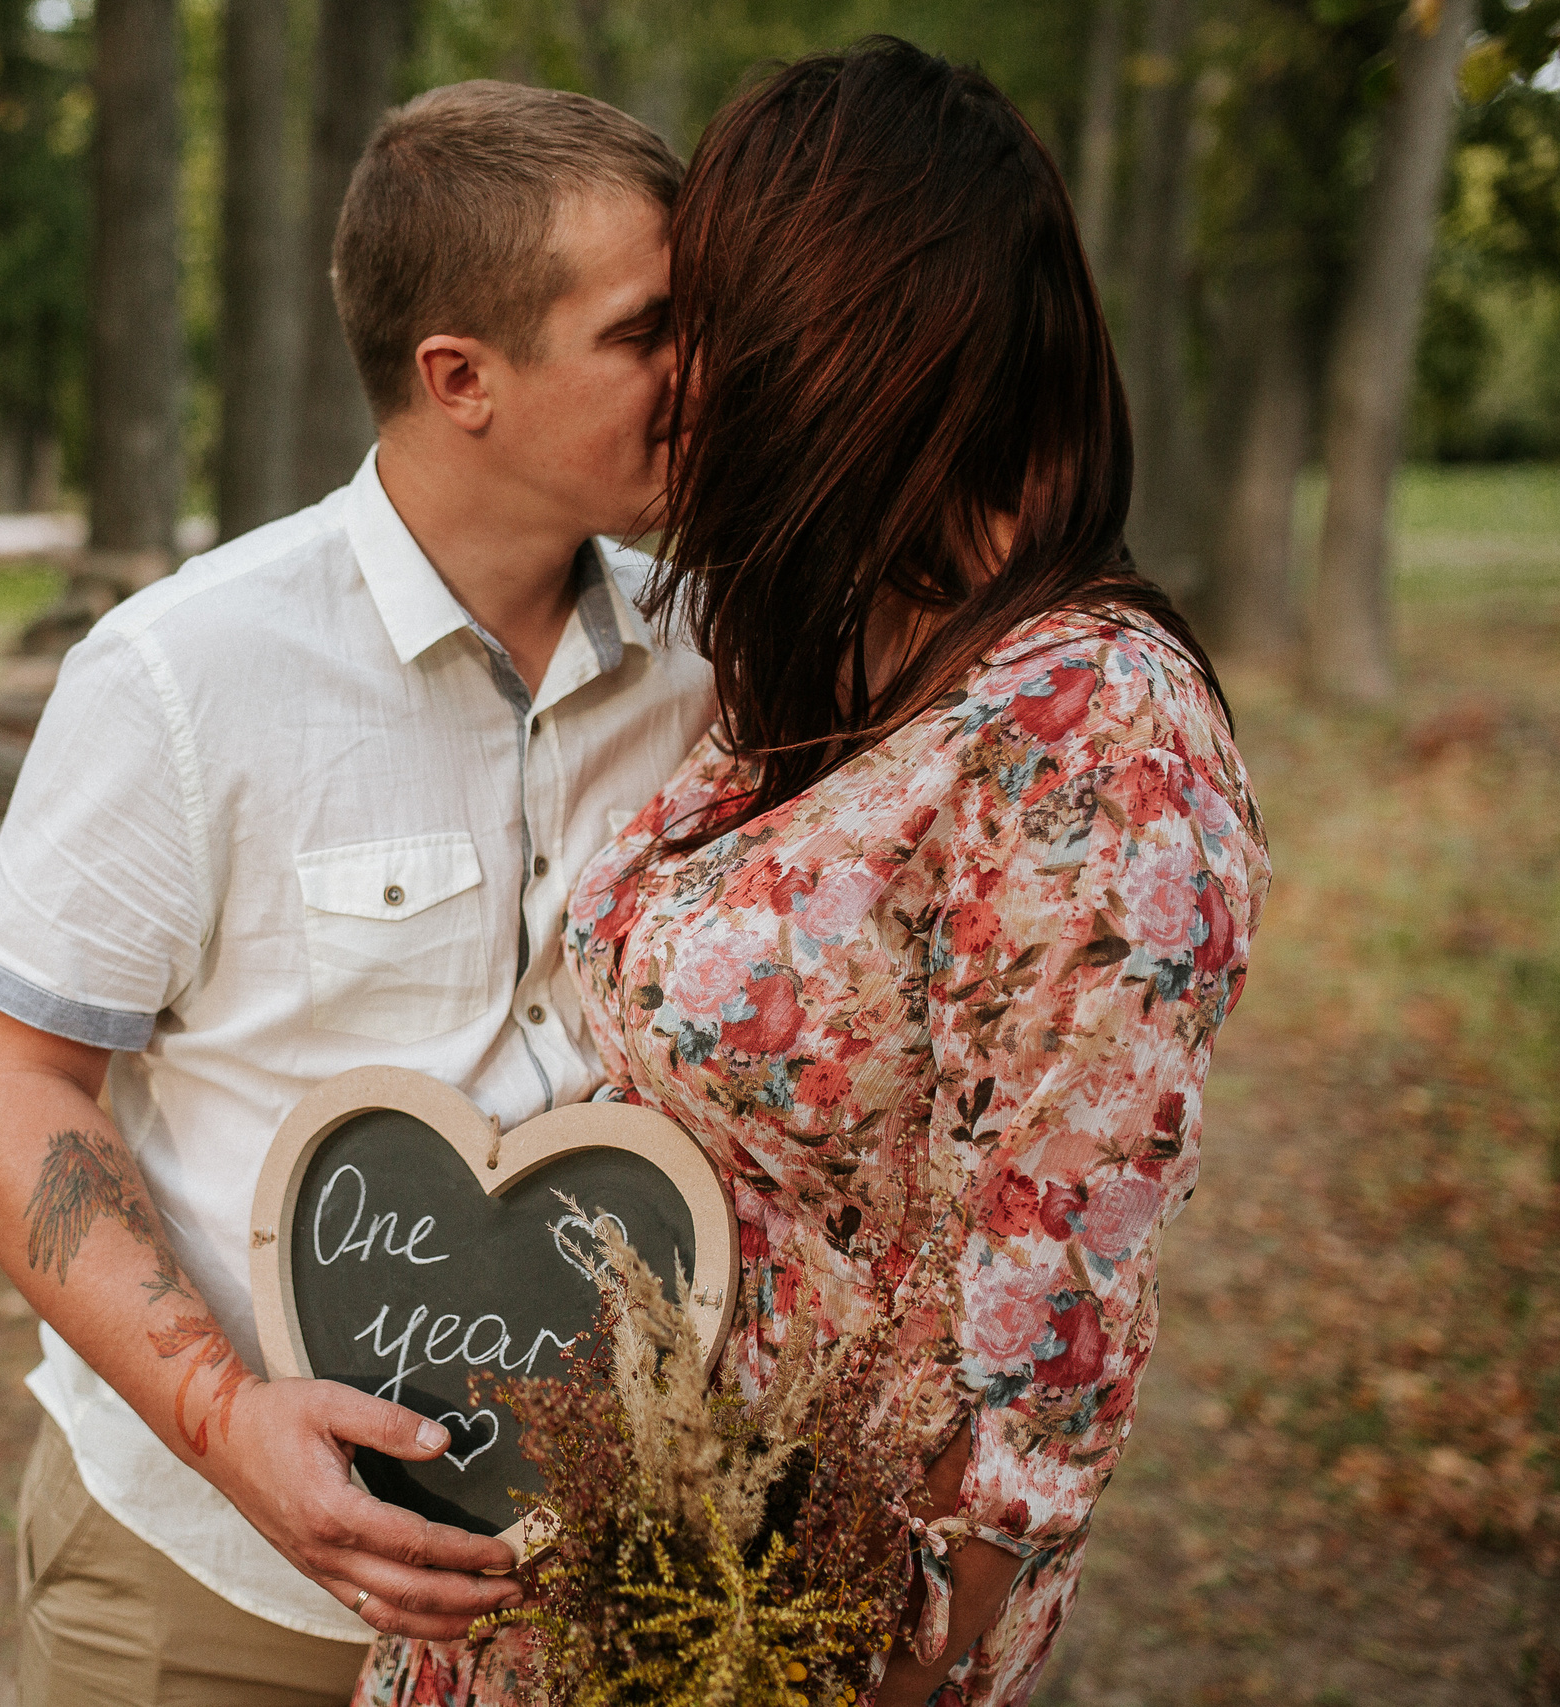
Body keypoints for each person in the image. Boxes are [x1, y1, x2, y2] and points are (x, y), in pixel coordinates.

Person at [355, 39, 1271, 1707]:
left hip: (775, 1642)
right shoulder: (835, 651)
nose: (684, 382)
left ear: (845, 333)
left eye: (712, 322)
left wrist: (833, 1673)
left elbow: (1044, 1350)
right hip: (581, 1569)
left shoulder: (1095, 732)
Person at [0, 80, 717, 1706]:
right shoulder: (181, 676)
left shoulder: (721, 658)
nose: (705, 372)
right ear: (460, 378)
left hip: (598, 1609)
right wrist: (225, 1423)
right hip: (208, 1599)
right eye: (648, 332)